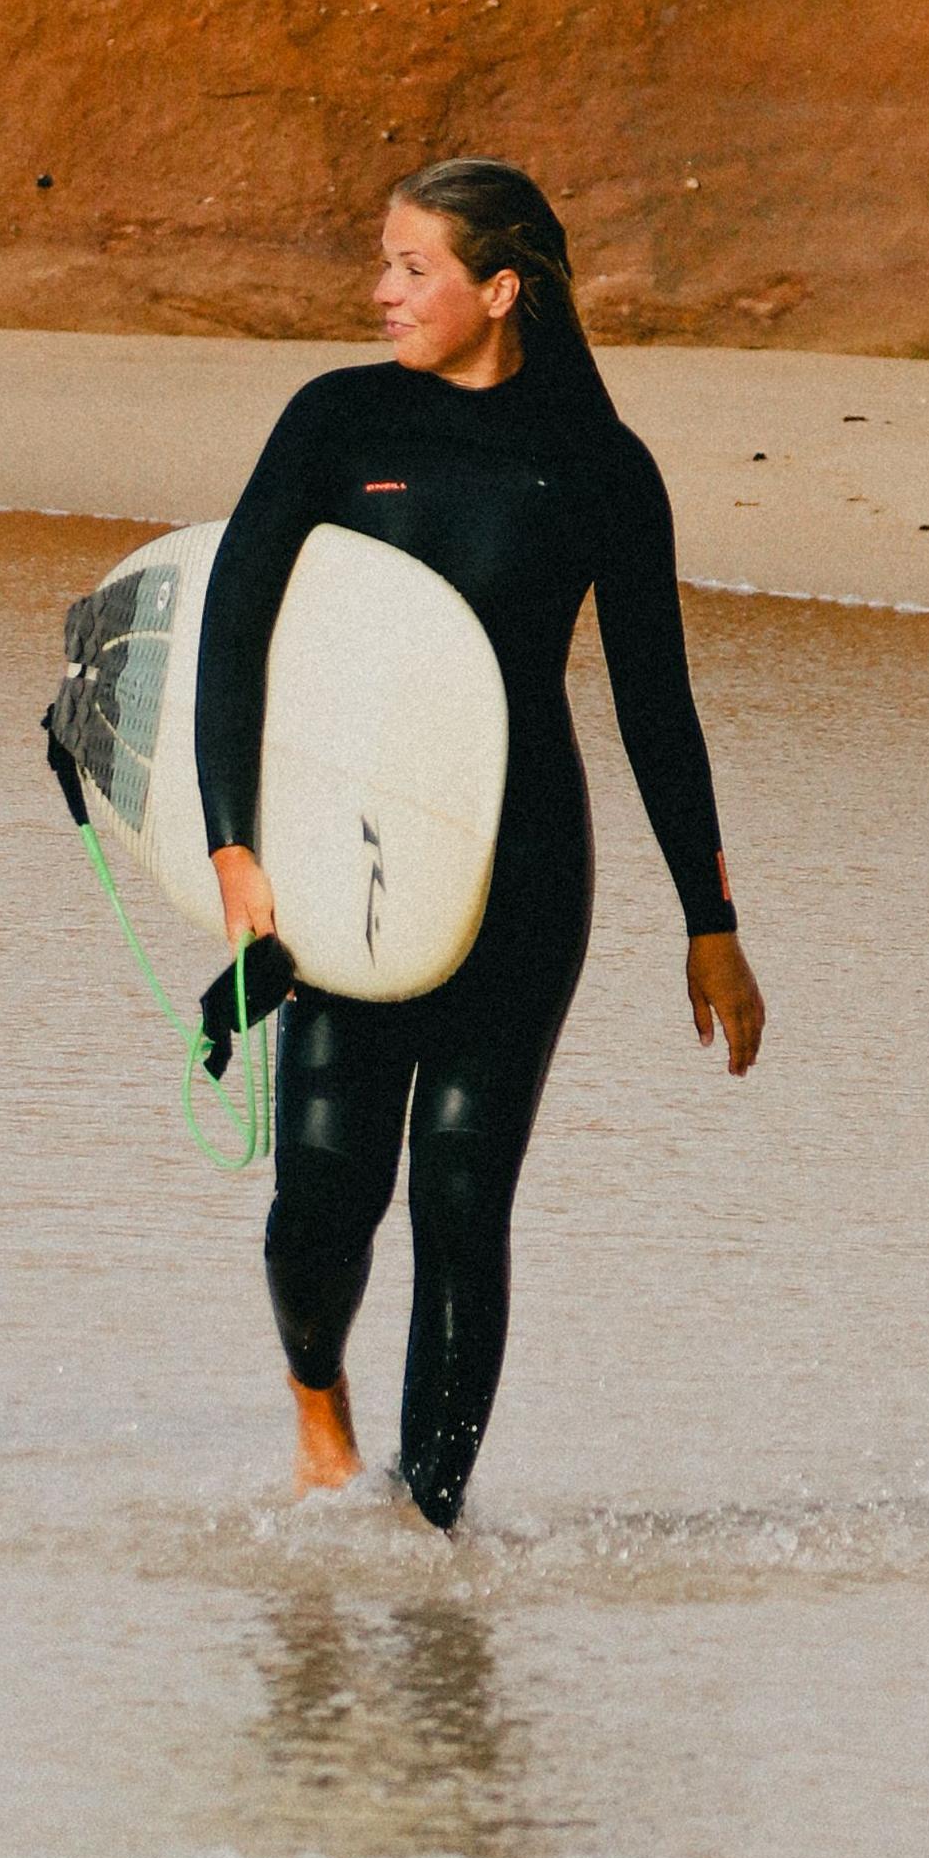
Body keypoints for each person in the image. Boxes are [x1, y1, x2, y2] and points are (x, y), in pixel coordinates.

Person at [196, 161, 764, 1530]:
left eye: (412, 268)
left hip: (524, 867)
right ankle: (318, 1396)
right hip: (344, 858)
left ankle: (421, 1522)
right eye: (383, 264)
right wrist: (233, 846)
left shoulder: (599, 465)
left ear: (497, 288)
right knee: (327, 1187)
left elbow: (655, 702)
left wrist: (711, 919)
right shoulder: (337, 421)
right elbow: (234, 629)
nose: (381, 291)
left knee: (461, 1196)